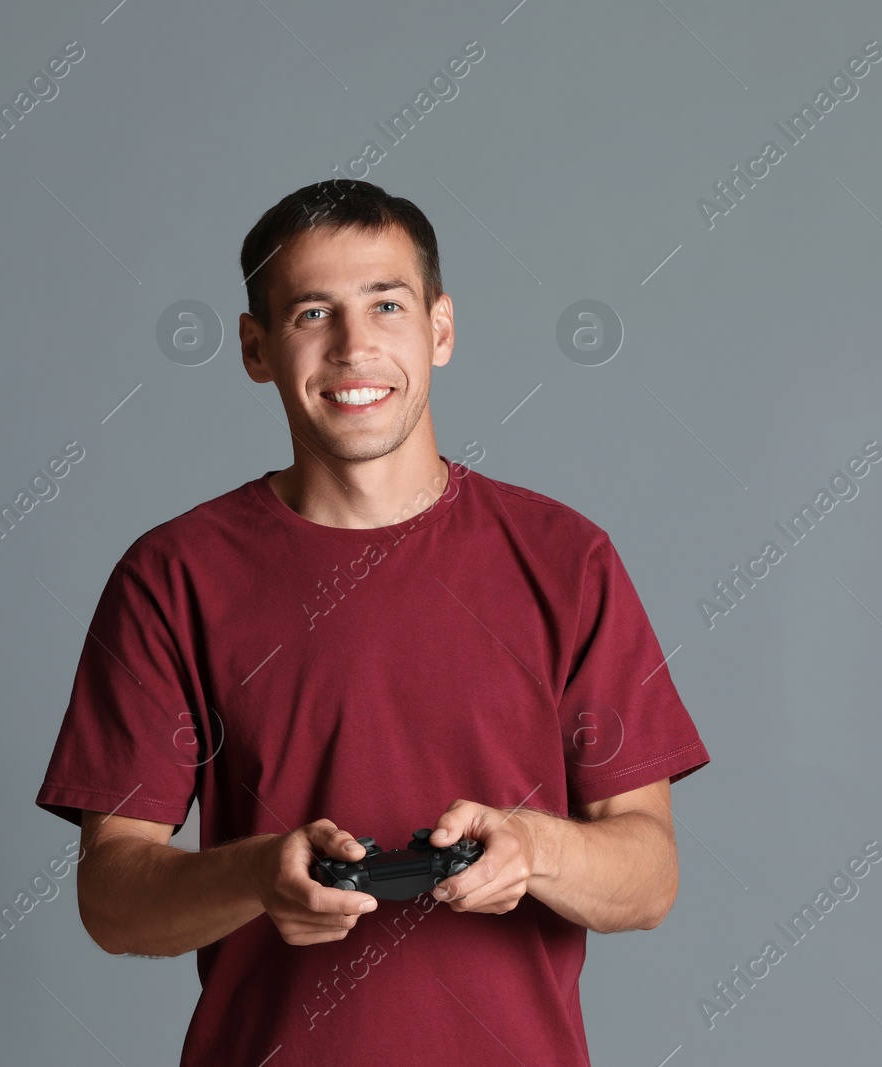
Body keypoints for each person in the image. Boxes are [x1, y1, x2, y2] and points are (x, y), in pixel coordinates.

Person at [35, 179, 710, 1066]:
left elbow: (650, 875)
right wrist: (254, 874)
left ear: (439, 328)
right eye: (314, 312)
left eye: (387, 304)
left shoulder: (565, 559)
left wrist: (535, 849)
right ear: (256, 348)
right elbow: (112, 896)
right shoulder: (172, 576)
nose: (356, 348)